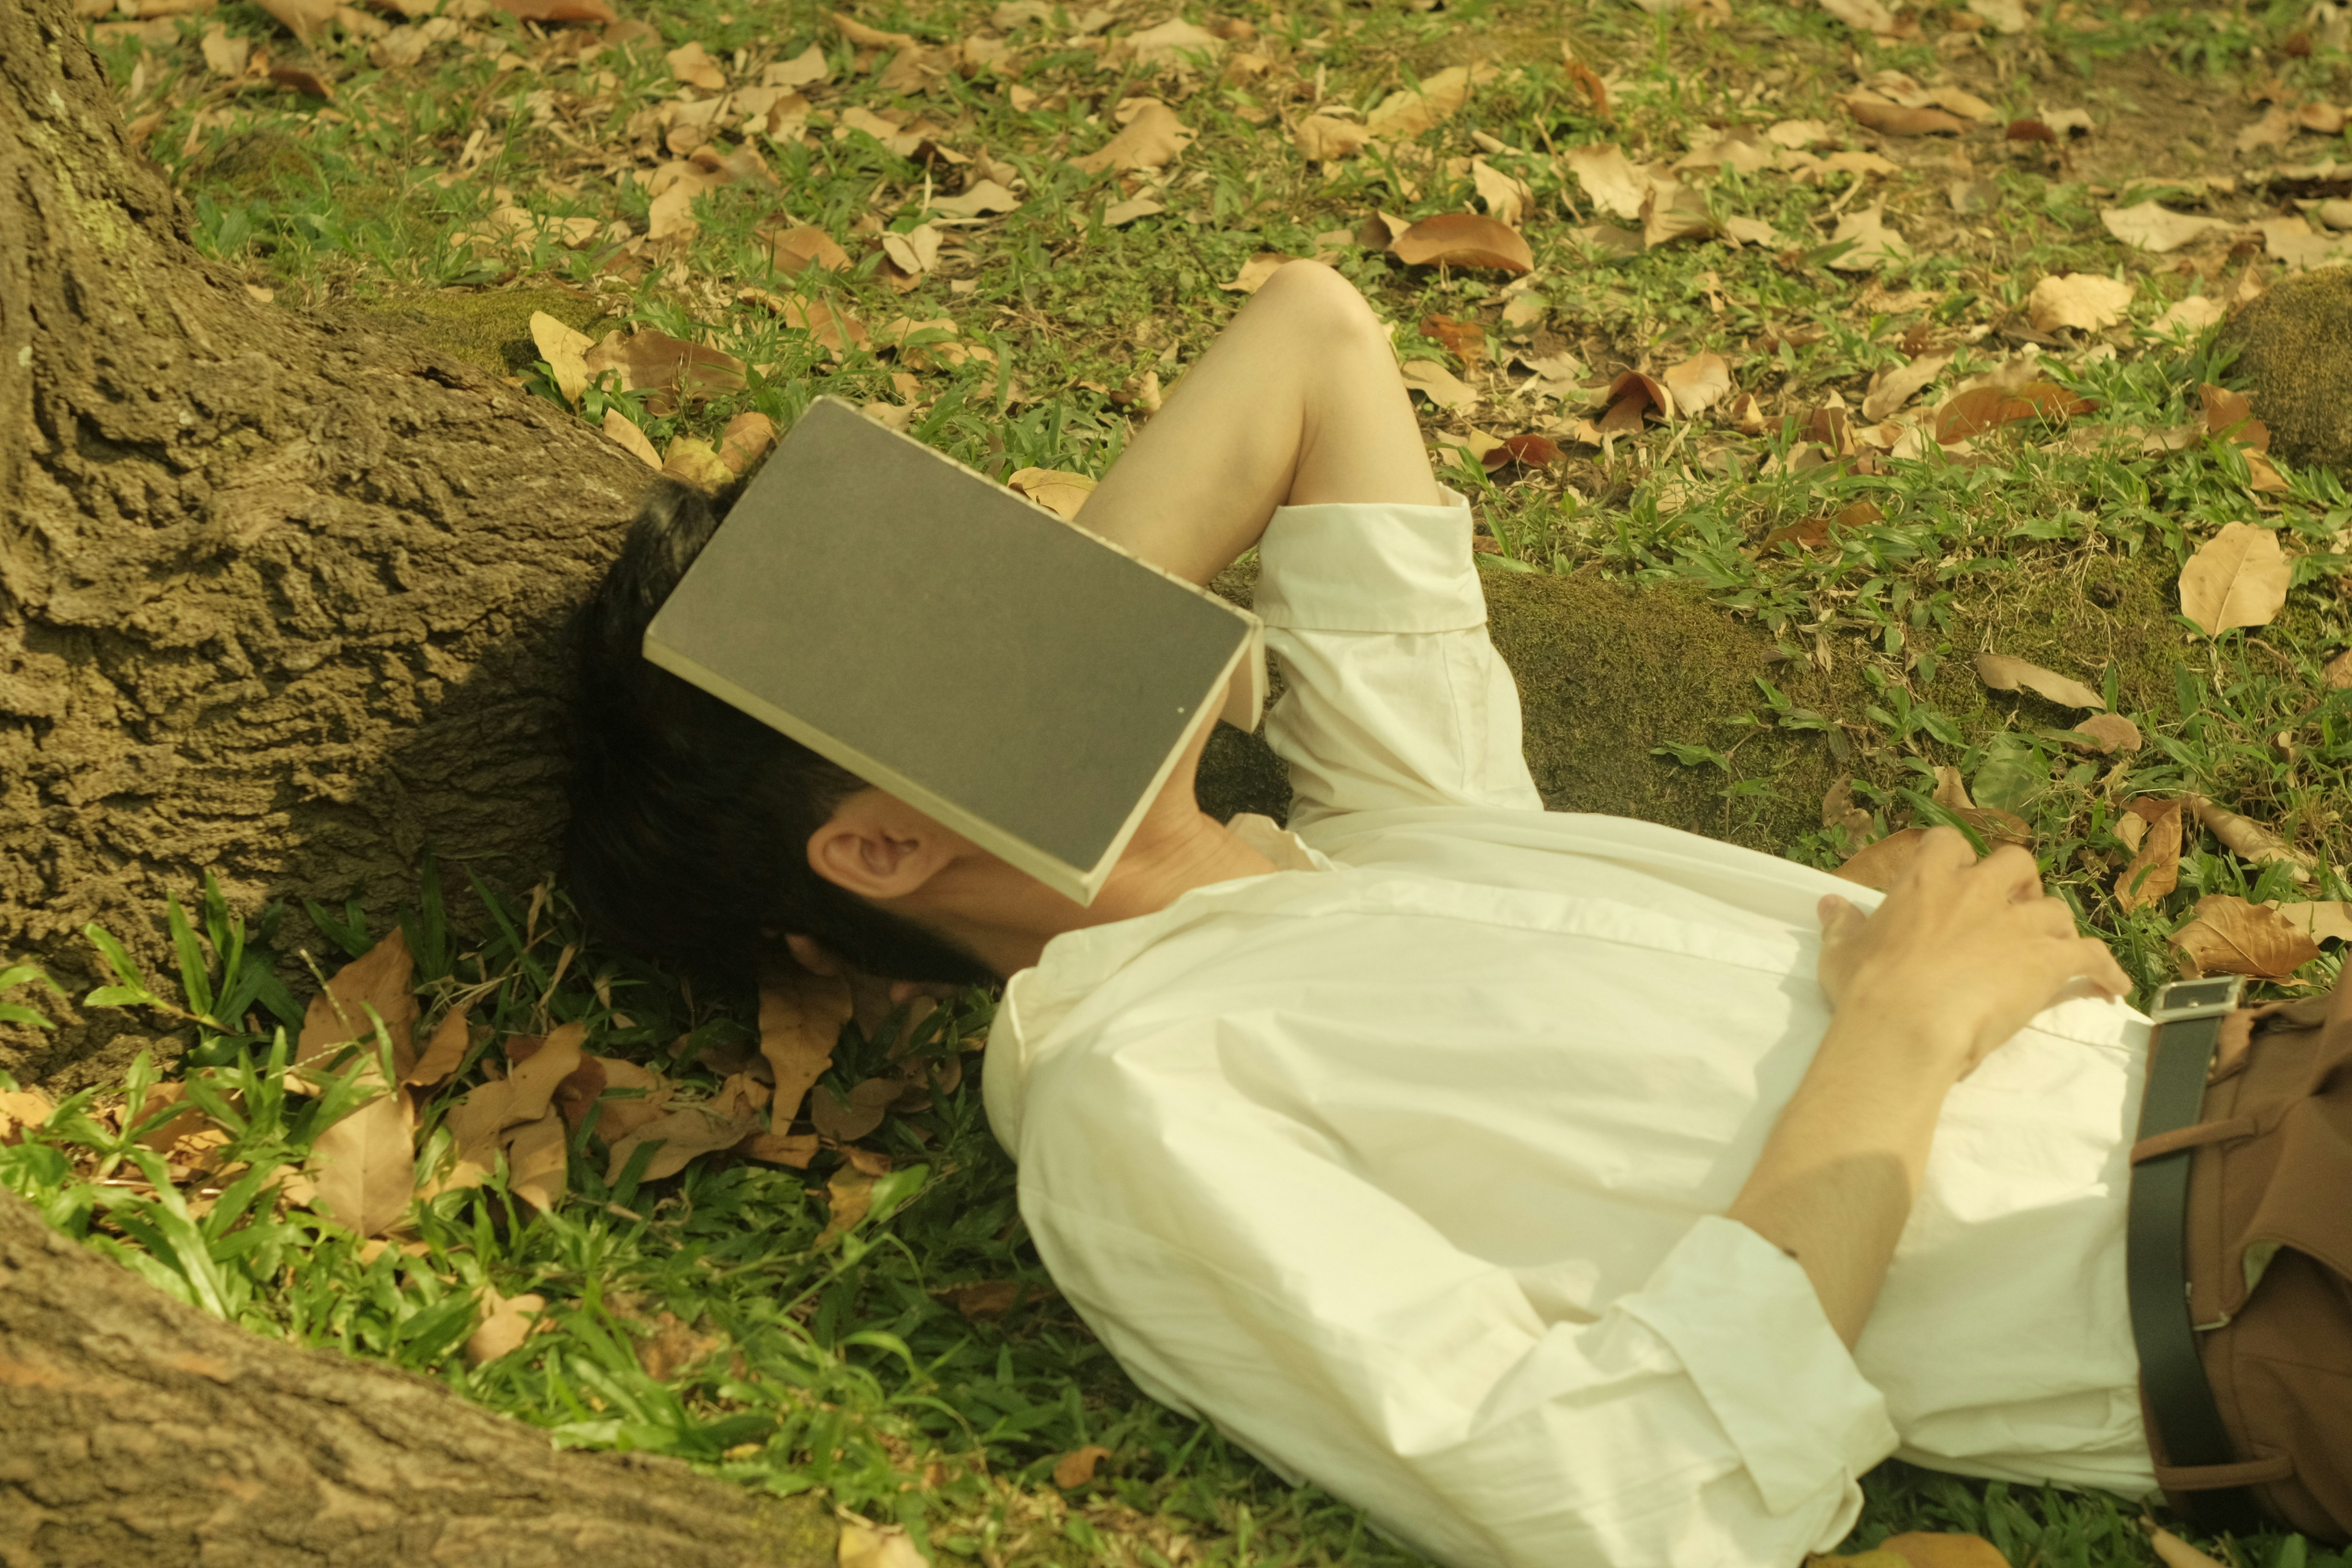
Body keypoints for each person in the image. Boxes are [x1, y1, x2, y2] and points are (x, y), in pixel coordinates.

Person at [567, 261, 2168, 1567]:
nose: (1043, 599)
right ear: (880, 851)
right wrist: (1901, 1024)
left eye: (1001, 571)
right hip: (2237, 1267)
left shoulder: (1401, 819)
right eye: (961, 631)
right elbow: (1622, 1499)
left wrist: (1034, 679)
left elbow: (1314, 336)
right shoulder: (1140, 1088)